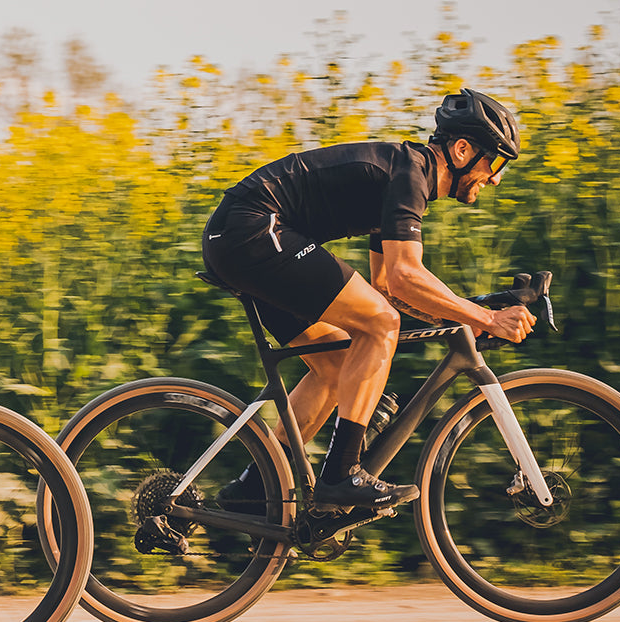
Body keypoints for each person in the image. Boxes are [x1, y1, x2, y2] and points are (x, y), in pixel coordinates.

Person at [202, 89, 535, 510]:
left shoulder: (401, 177)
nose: (497, 177)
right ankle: (342, 474)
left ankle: (251, 492)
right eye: (497, 163)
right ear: (463, 150)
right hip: (253, 230)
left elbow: (388, 287)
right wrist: (485, 318)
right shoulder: (411, 175)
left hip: (239, 238)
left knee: (337, 363)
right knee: (380, 323)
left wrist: (465, 312)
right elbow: (405, 277)